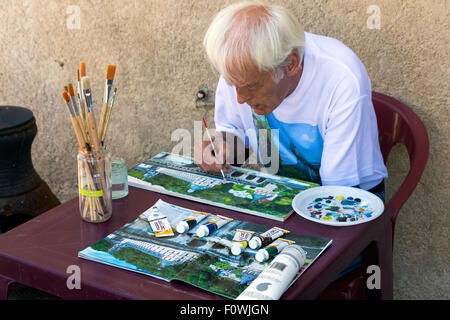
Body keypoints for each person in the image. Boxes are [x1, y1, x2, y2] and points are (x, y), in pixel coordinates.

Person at [195, 1, 388, 201]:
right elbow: (236, 136)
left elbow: (338, 194)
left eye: (252, 86)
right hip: (283, 191)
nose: (240, 98)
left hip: (350, 199)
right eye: (231, 83)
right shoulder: (240, 66)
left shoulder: (341, 79)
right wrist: (219, 148)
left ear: (291, 64)